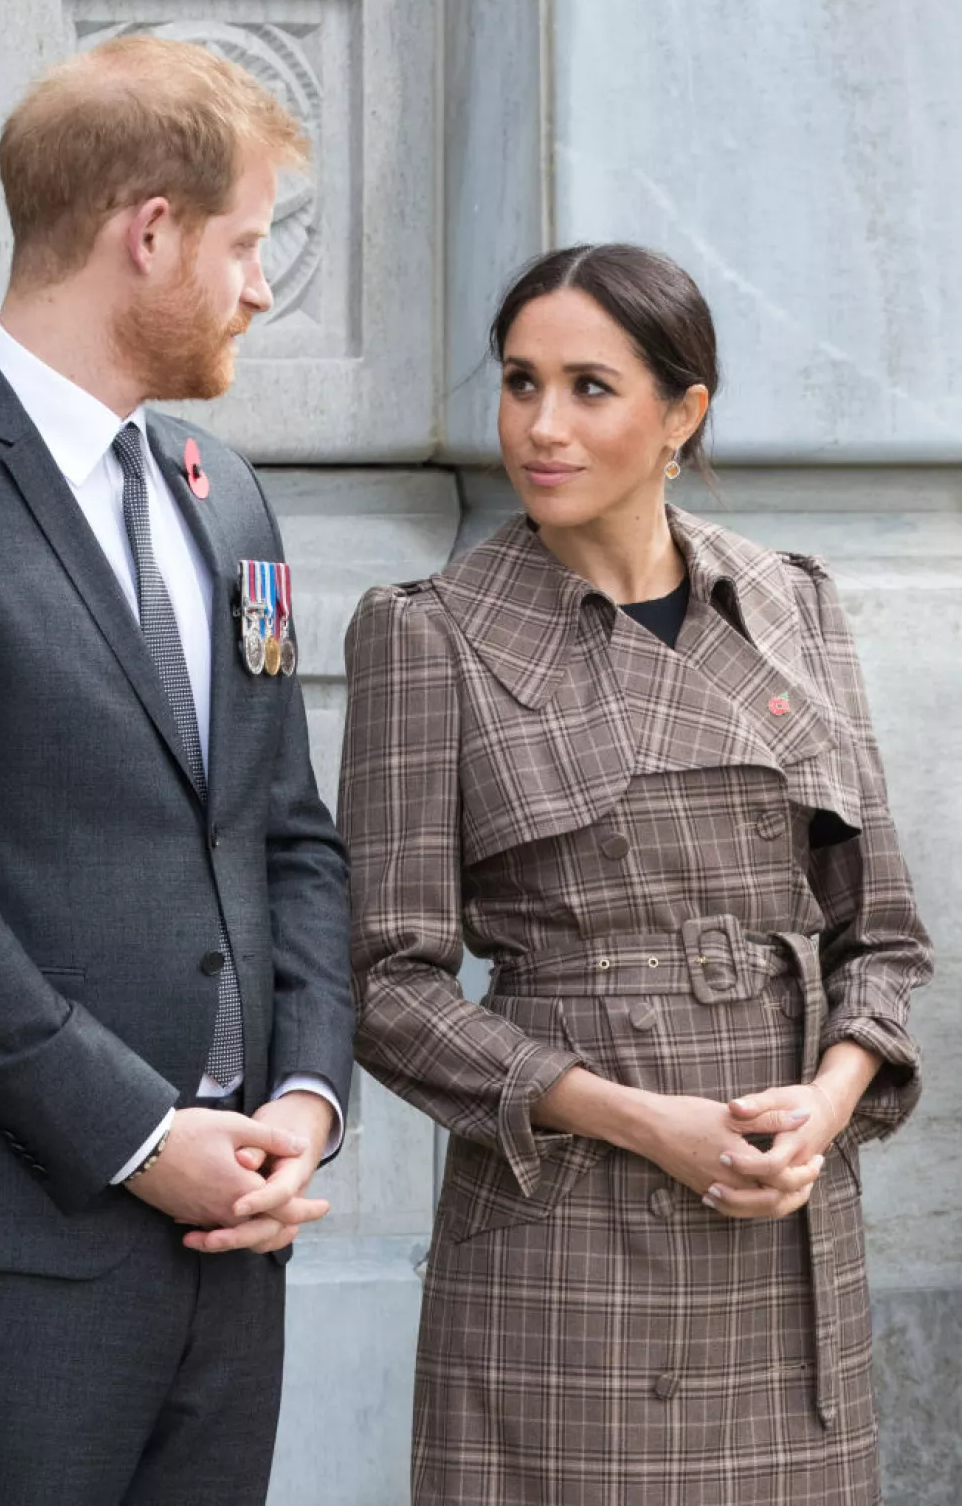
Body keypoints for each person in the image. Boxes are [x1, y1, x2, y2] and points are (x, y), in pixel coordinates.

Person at [0, 35, 353, 1506]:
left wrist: (303, 1097)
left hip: (236, 1241)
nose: (259, 285)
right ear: (146, 230)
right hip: (8, 1241)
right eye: (243, 242)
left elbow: (290, 830)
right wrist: (142, 1134)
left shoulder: (230, 508)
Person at [339, 242, 930, 1505]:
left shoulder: (791, 604)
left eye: (590, 387)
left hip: (783, 1232)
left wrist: (826, 1102)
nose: (540, 426)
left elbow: (880, 937)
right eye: (518, 381)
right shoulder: (430, 630)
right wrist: (636, 1118)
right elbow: (391, 985)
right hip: (566, 1234)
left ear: (684, 413)